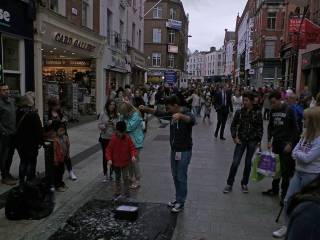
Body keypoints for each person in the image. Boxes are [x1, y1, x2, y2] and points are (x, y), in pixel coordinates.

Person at [140, 95, 196, 213]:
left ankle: (181, 201)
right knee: (175, 175)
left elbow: (192, 120)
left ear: (176, 106)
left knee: (181, 176)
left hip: (184, 151)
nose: (168, 110)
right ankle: (178, 199)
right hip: (174, 150)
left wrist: (180, 116)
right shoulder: (171, 115)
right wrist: (147, 109)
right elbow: (160, 113)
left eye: (169, 108)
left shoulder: (186, 112)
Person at [273, 107, 320, 238]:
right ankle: (286, 226)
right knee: (288, 199)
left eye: (305, 119)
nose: (302, 120)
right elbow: (295, 152)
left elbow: (307, 158)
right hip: (298, 172)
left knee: (305, 203)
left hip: (311, 175)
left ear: (313, 121)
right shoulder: (305, 135)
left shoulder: (319, 140)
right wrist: (300, 154)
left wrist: (299, 154)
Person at [262, 91, 300, 205]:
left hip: (286, 145)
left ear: (280, 99)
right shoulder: (273, 110)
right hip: (276, 144)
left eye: (273, 102)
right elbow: (270, 127)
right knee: (276, 169)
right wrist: (269, 140)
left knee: (285, 171)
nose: (272, 105)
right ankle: (274, 189)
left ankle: (284, 195)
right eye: (271, 103)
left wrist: (290, 144)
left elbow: (296, 130)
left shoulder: (289, 110)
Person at [223, 92, 263, 194]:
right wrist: (234, 137)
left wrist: (258, 141)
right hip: (241, 140)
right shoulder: (239, 112)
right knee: (235, 162)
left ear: (251, 101)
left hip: (252, 141)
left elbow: (260, 128)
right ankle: (229, 184)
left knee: (248, 163)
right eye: (243, 100)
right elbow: (233, 125)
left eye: (246, 100)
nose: (244, 102)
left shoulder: (257, 113)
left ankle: (244, 184)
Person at [46, 98, 77, 181]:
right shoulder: (48, 114)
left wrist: (63, 121)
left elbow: (64, 123)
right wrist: (52, 123)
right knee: (58, 156)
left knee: (66, 154)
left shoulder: (60, 112)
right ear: (52, 106)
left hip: (63, 136)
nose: (58, 106)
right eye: (57, 105)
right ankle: (58, 175)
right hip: (55, 138)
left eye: (58, 105)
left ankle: (70, 171)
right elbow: (48, 127)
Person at [15, 95, 43, 185]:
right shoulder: (33, 114)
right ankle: (30, 181)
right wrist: (40, 142)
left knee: (23, 161)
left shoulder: (17, 112)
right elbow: (39, 130)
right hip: (31, 143)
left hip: (20, 143)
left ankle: (22, 182)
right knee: (31, 162)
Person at [106, 121, 137, 199]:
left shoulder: (127, 138)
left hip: (125, 162)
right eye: (119, 132)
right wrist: (109, 159)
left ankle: (127, 192)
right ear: (116, 131)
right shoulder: (113, 138)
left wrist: (133, 156)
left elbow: (132, 148)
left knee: (125, 177)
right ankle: (117, 192)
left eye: (122, 132)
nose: (120, 134)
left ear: (124, 131)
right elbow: (108, 150)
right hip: (115, 163)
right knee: (117, 177)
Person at [118, 102, 144, 189]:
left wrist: (122, 121)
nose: (123, 114)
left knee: (134, 161)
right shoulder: (125, 116)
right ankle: (131, 178)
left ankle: (137, 180)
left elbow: (128, 127)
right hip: (128, 141)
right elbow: (120, 125)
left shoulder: (136, 115)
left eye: (123, 112)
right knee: (129, 162)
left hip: (136, 142)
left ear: (128, 110)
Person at [285, 176, 320, 240]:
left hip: (310, 172)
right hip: (301, 171)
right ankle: (285, 226)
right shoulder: (311, 211)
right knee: (287, 201)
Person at [0, 84, 17, 185]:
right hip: (4, 135)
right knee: (3, 156)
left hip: (13, 133)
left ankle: (7, 172)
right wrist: (3, 131)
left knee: (10, 155)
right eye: (3, 90)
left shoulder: (12, 101)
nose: (6, 91)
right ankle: (4, 176)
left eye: (7, 89)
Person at [98, 100, 118, 182]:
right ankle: (105, 174)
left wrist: (114, 125)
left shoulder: (117, 115)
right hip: (104, 138)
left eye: (113, 104)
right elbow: (99, 125)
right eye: (111, 104)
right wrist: (105, 125)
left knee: (113, 156)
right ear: (108, 105)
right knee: (105, 156)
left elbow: (119, 127)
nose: (112, 106)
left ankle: (111, 173)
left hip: (113, 138)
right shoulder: (103, 114)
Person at [52, 122, 70, 192]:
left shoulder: (65, 137)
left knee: (62, 171)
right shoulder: (55, 140)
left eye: (63, 130)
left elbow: (68, 146)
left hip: (63, 158)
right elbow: (54, 151)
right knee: (57, 172)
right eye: (60, 130)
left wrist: (68, 154)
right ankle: (57, 185)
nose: (62, 132)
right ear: (56, 131)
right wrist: (55, 160)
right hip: (58, 159)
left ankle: (60, 183)